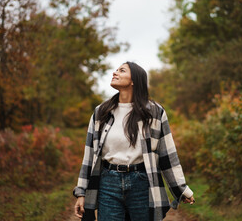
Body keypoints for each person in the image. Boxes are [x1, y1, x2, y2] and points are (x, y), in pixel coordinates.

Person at [73, 62, 195, 221]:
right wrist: (81, 192)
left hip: (142, 183)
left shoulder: (154, 112)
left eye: (121, 70)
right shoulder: (101, 112)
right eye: (116, 70)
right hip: (108, 183)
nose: (115, 72)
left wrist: (181, 189)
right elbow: (89, 156)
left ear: (134, 81)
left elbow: (167, 155)